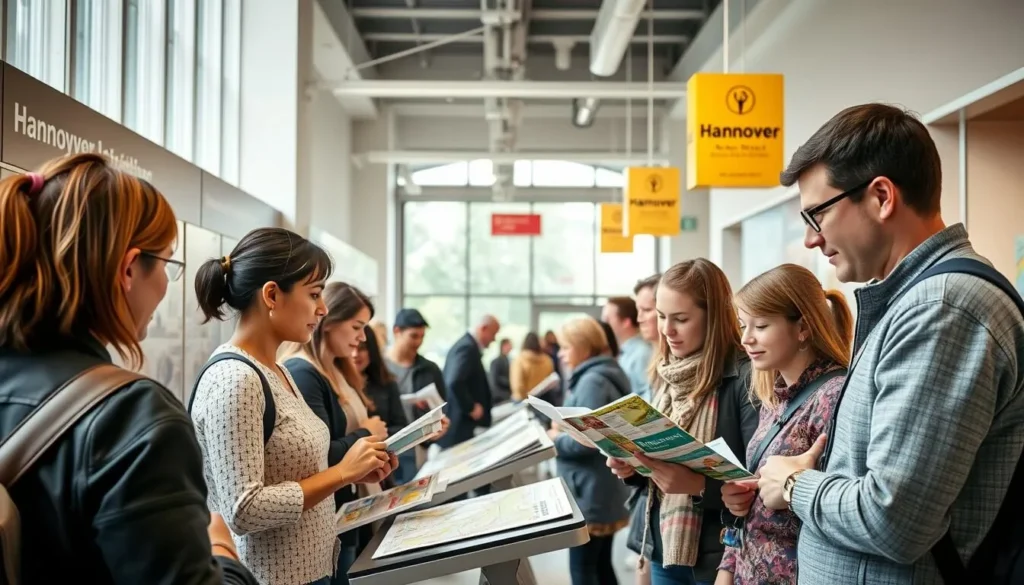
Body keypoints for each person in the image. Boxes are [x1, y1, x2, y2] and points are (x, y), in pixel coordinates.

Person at [756, 103, 1024, 585]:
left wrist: (793, 484)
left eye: (817, 215)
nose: (812, 240)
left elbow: (894, 519)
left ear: (881, 196)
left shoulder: (942, 309)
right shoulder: (916, 302)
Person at [0, 153, 257, 585]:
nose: (164, 286)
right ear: (128, 269)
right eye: (168, 264)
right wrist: (221, 550)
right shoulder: (132, 418)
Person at [191, 228, 393, 585]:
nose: (323, 308)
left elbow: (294, 470)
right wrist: (342, 472)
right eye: (314, 294)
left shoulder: (276, 370)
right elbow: (244, 509)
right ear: (272, 294)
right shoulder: (236, 380)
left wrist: (356, 470)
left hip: (313, 570)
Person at [607, 259, 759, 585]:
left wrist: (699, 486)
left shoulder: (746, 377)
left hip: (718, 556)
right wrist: (634, 467)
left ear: (714, 317)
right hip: (663, 544)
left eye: (681, 319)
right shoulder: (665, 370)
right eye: (661, 316)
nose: (666, 330)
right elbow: (661, 464)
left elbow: (759, 480)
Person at [715, 264, 853, 585]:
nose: (746, 339)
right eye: (742, 325)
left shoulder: (832, 397)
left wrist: (792, 490)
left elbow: (843, 508)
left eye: (760, 326)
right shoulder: (775, 396)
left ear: (802, 327)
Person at [281, 283, 400, 585]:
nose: (362, 338)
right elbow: (317, 454)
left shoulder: (335, 369)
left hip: (351, 505)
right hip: (330, 514)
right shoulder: (303, 372)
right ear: (330, 324)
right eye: (357, 327)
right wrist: (366, 432)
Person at [548, 317, 632, 585]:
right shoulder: (606, 373)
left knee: (583, 570)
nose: (560, 354)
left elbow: (588, 441)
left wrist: (555, 438)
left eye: (565, 347)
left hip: (590, 491)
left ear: (583, 347)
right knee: (600, 565)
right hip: (600, 488)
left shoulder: (592, 382)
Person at [385, 308, 448, 483]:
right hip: (385, 449)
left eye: (422, 336)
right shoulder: (378, 369)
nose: (418, 342)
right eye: (413, 336)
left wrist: (439, 427)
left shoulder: (431, 369)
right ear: (397, 331)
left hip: (419, 451)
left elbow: (441, 409)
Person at [438, 314, 501, 449]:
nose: (494, 339)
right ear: (484, 328)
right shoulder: (466, 348)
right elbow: (454, 381)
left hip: (461, 425)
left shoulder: (468, 345)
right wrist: (470, 407)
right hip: (458, 426)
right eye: (493, 334)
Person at [603, 296, 654, 401]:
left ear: (626, 322)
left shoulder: (642, 353)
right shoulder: (623, 352)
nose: (603, 324)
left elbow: (648, 395)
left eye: (608, 319)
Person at [510, 332, 556, 401]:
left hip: (523, 401)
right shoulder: (547, 360)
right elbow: (551, 380)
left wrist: (525, 397)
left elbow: (517, 386)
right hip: (543, 400)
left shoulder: (519, 360)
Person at [489, 338, 513, 403]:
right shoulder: (495, 362)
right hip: (500, 398)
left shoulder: (510, 360)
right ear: (503, 346)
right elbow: (494, 382)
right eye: (509, 344)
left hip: (509, 396)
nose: (511, 346)